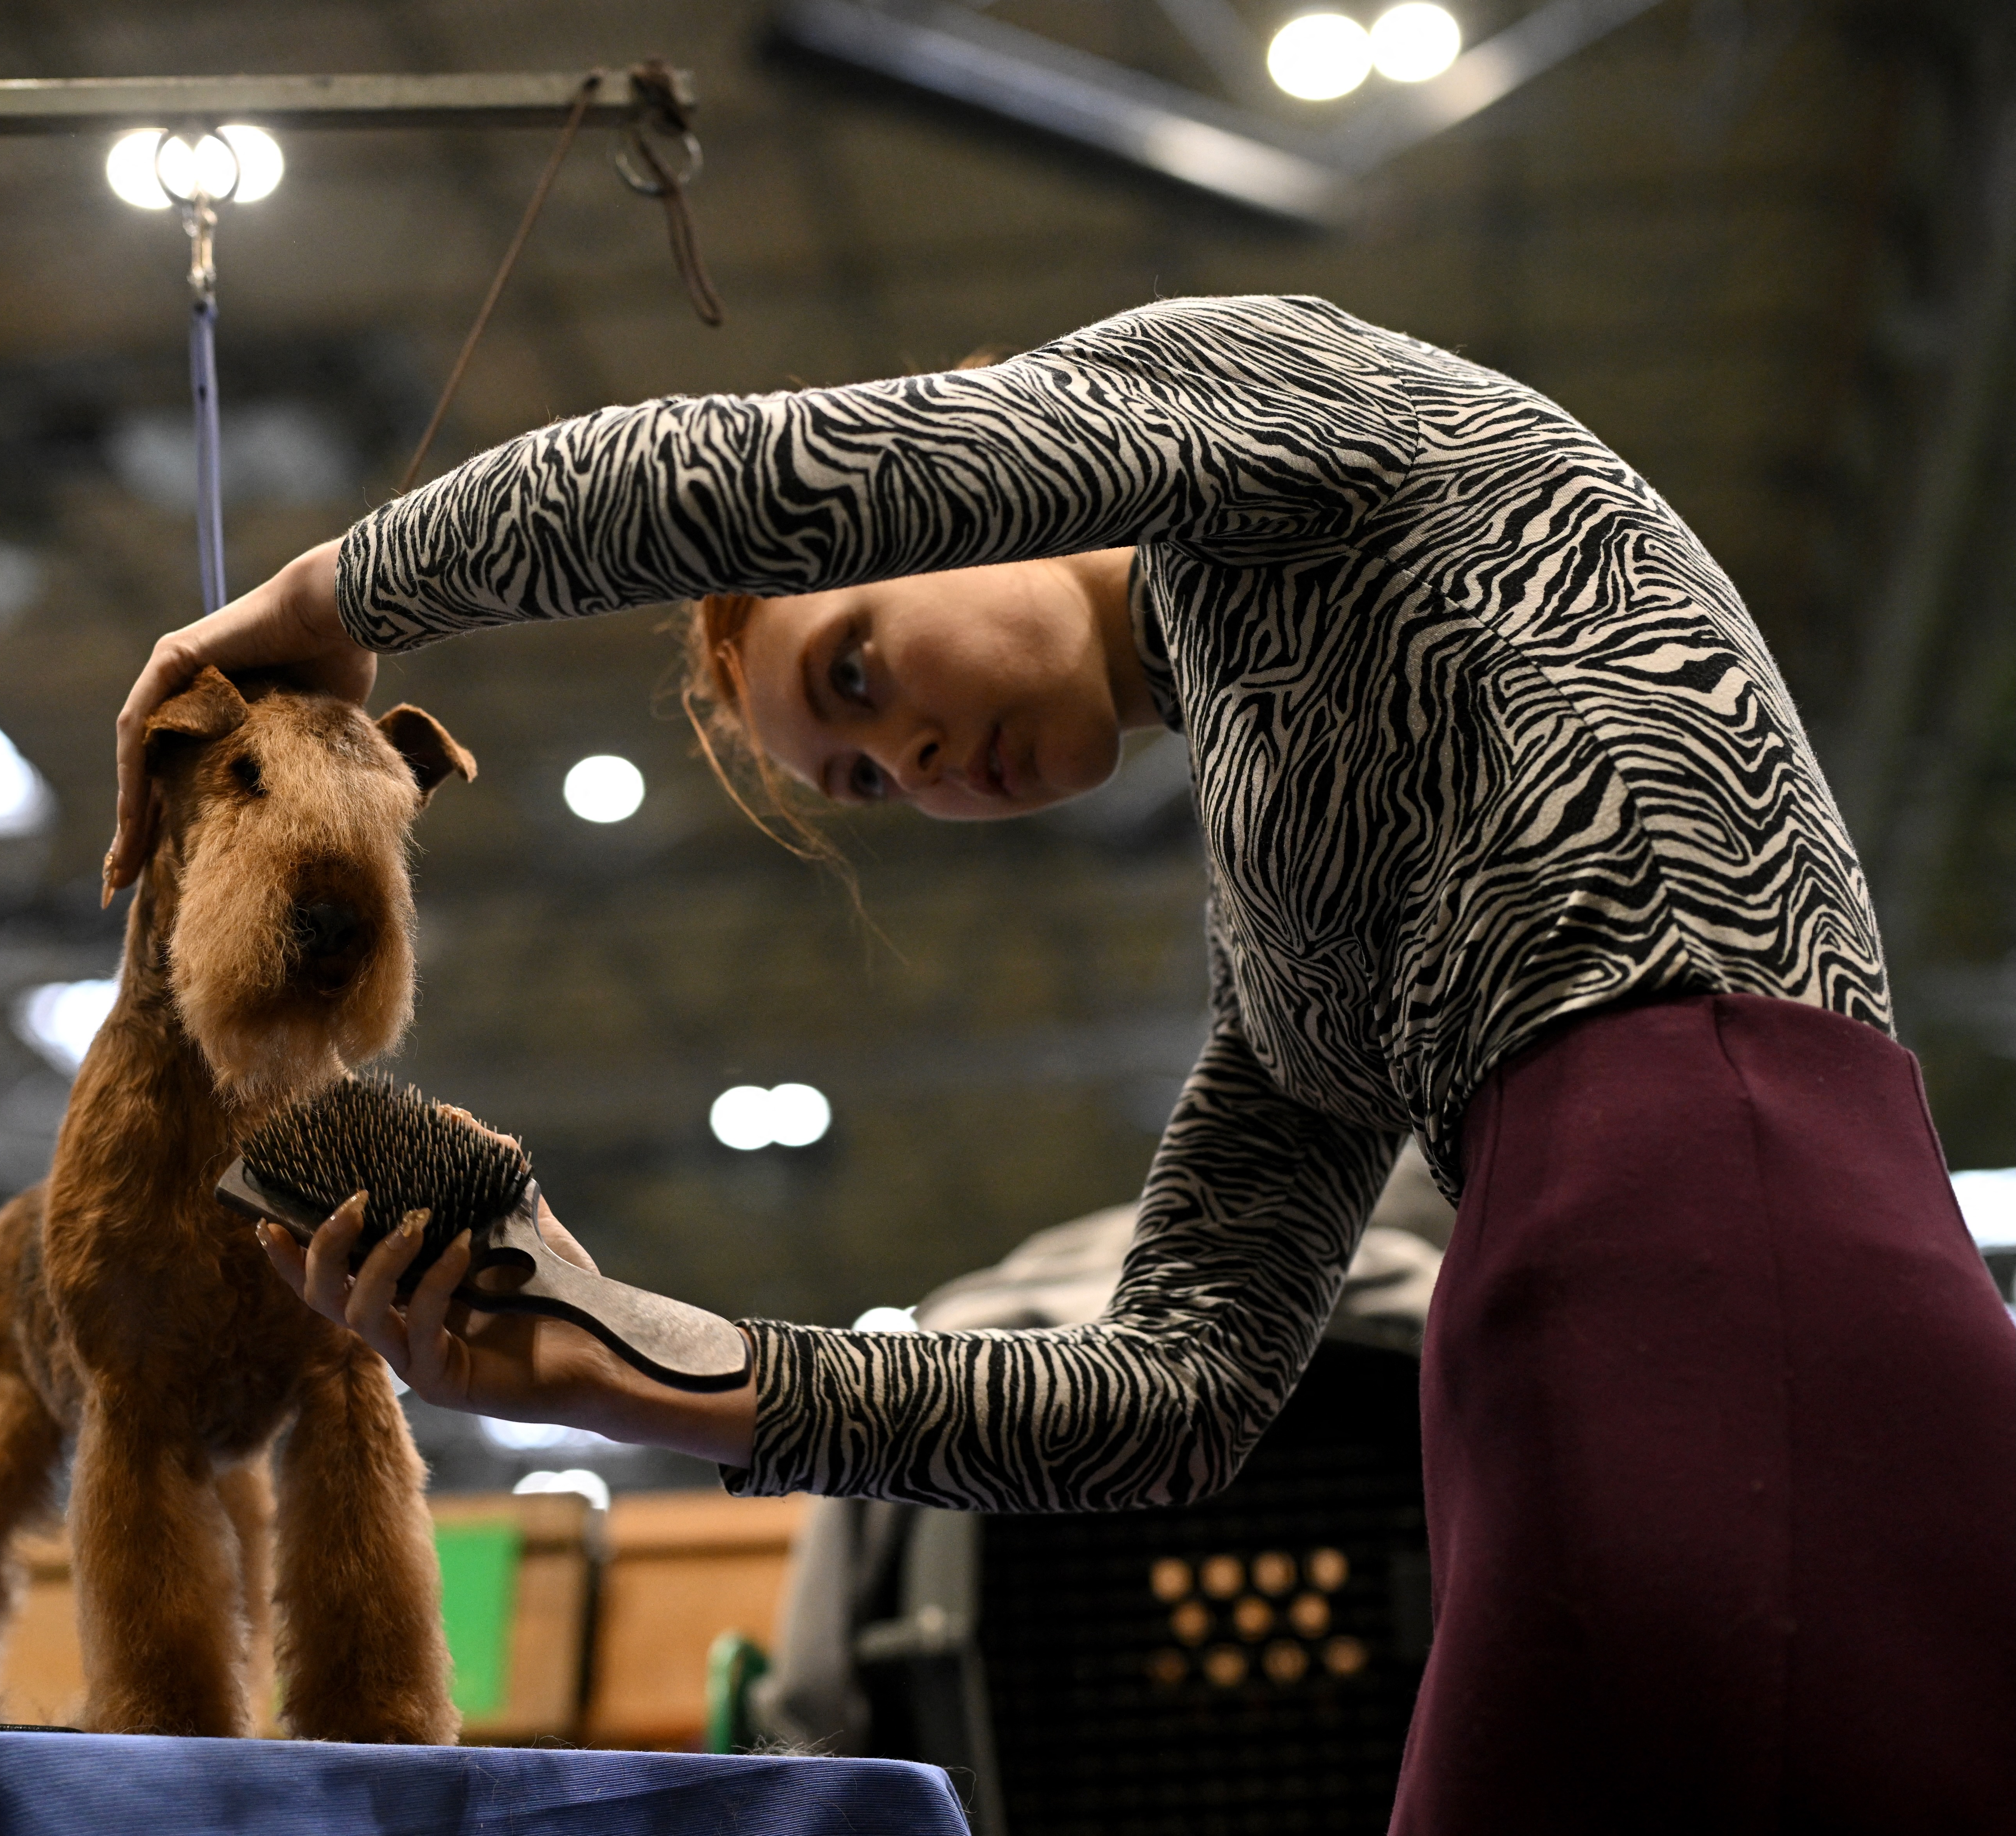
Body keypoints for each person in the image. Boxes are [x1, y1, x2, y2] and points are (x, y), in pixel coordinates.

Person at [107, 294, 2016, 1830]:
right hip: (1557, 1341)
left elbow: (758, 475)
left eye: (858, 667)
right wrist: (628, 1358)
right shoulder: (1293, 892)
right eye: (858, 780)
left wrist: (331, 600)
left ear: (951, 466)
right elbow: (1166, 1396)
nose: (910, 762)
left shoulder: (1260, 384)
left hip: (1720, 1235)